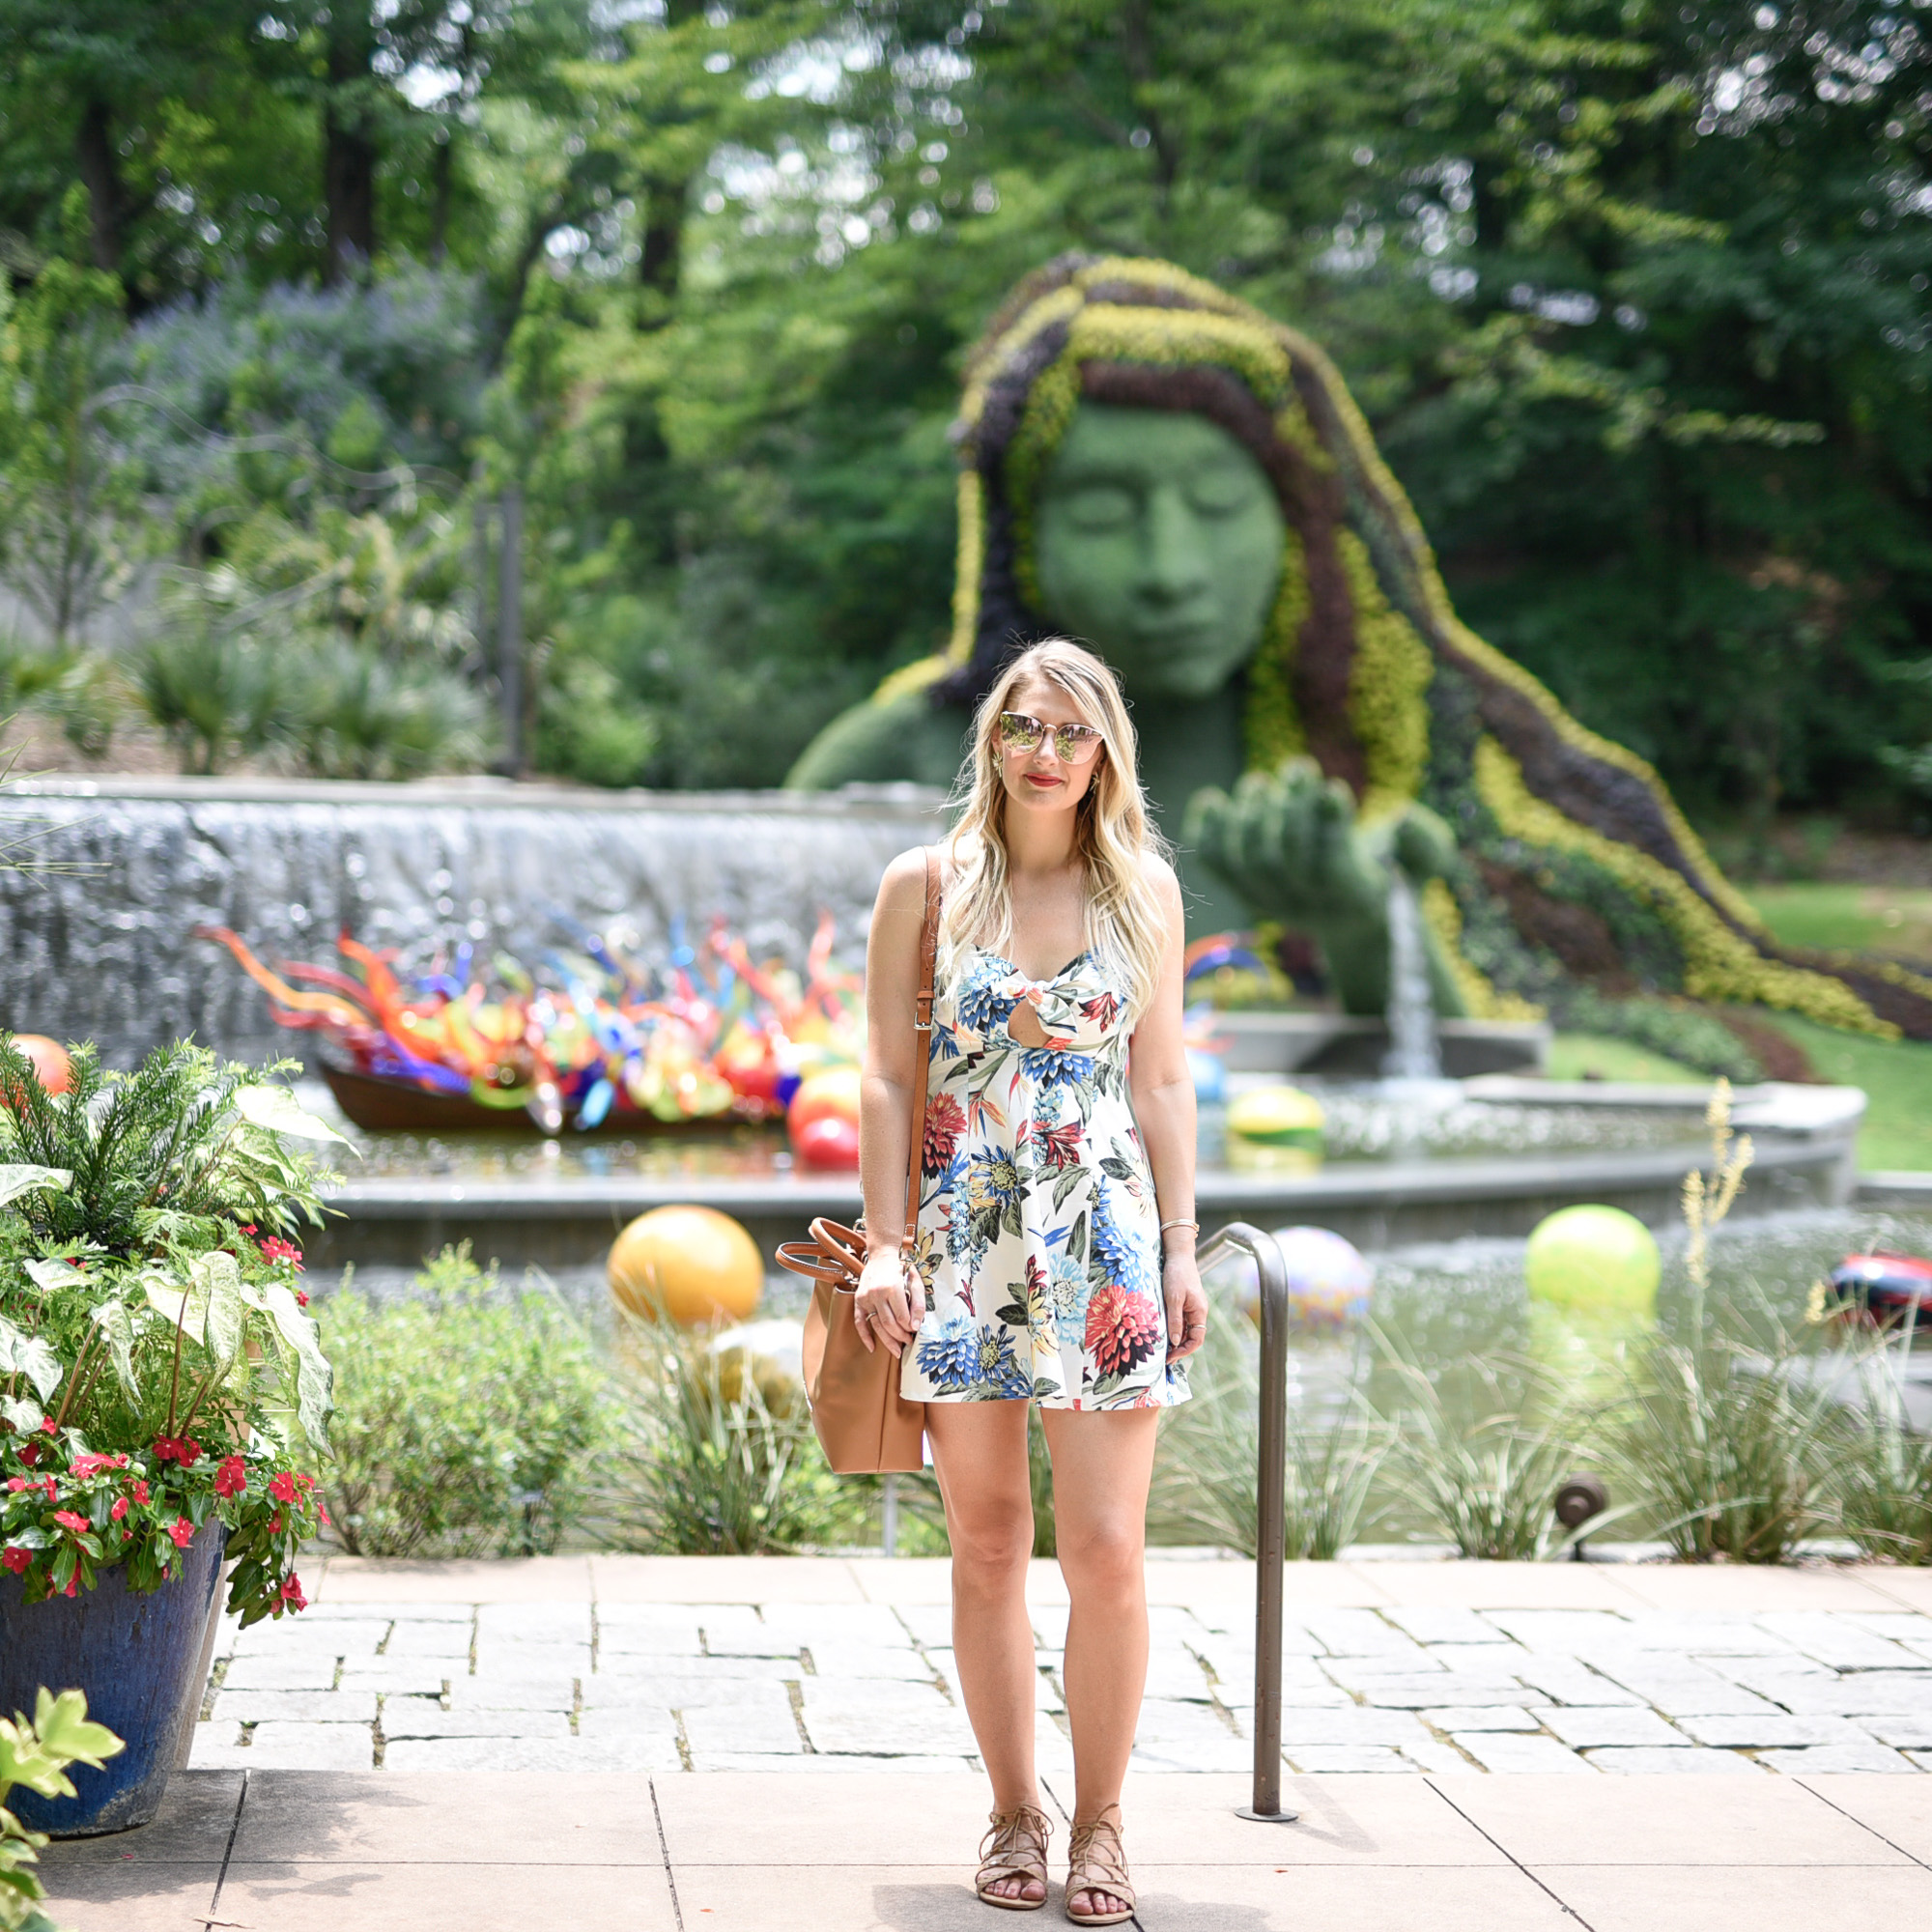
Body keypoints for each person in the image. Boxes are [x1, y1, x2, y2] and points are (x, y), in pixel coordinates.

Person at [855, 637, 1208, 1923]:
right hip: (964, 1238)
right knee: (989, 1541)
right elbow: (888, 1078)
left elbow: (1162, 1081)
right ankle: (1013, 1812)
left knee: (1108, 1551)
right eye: (1023, 729)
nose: (1045, 754)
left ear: (1104, 748)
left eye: (1071, 732)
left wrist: (1178, 1248)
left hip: (1105, 1244)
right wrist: (884, 1242)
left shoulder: (1146, 895)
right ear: (990, 743)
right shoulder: (929, 885)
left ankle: (1105, 1825)